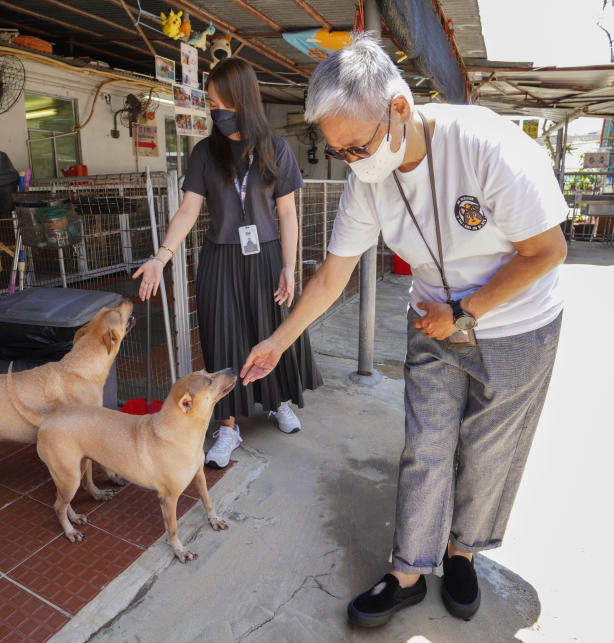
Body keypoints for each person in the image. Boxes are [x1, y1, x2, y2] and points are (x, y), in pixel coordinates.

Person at [240, 35, 568, 628]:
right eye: (339, 152)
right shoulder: (368, 181)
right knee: (427, 444)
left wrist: (466, 312)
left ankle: (462, 553)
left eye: (357, 145)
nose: (354, 161)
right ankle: (409, 571)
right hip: (432, 322)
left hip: (519, 321)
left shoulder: (488, 147)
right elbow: (332, 275)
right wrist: (277, 342)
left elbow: (547, 250)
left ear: (398, 107)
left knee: (488, 450)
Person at [133, 57, 322, 469]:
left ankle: (277, 401)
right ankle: (229, 425)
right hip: (219, 257)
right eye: (211, 102)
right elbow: (188, 210)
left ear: (242, 99)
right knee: (223, 337)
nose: (214, 110)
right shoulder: (205, 152)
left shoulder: (276, 148)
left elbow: (287, 213)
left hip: (267, 255)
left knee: (271, 329)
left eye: (221, 102)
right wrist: (161, 257)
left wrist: (289, 267)